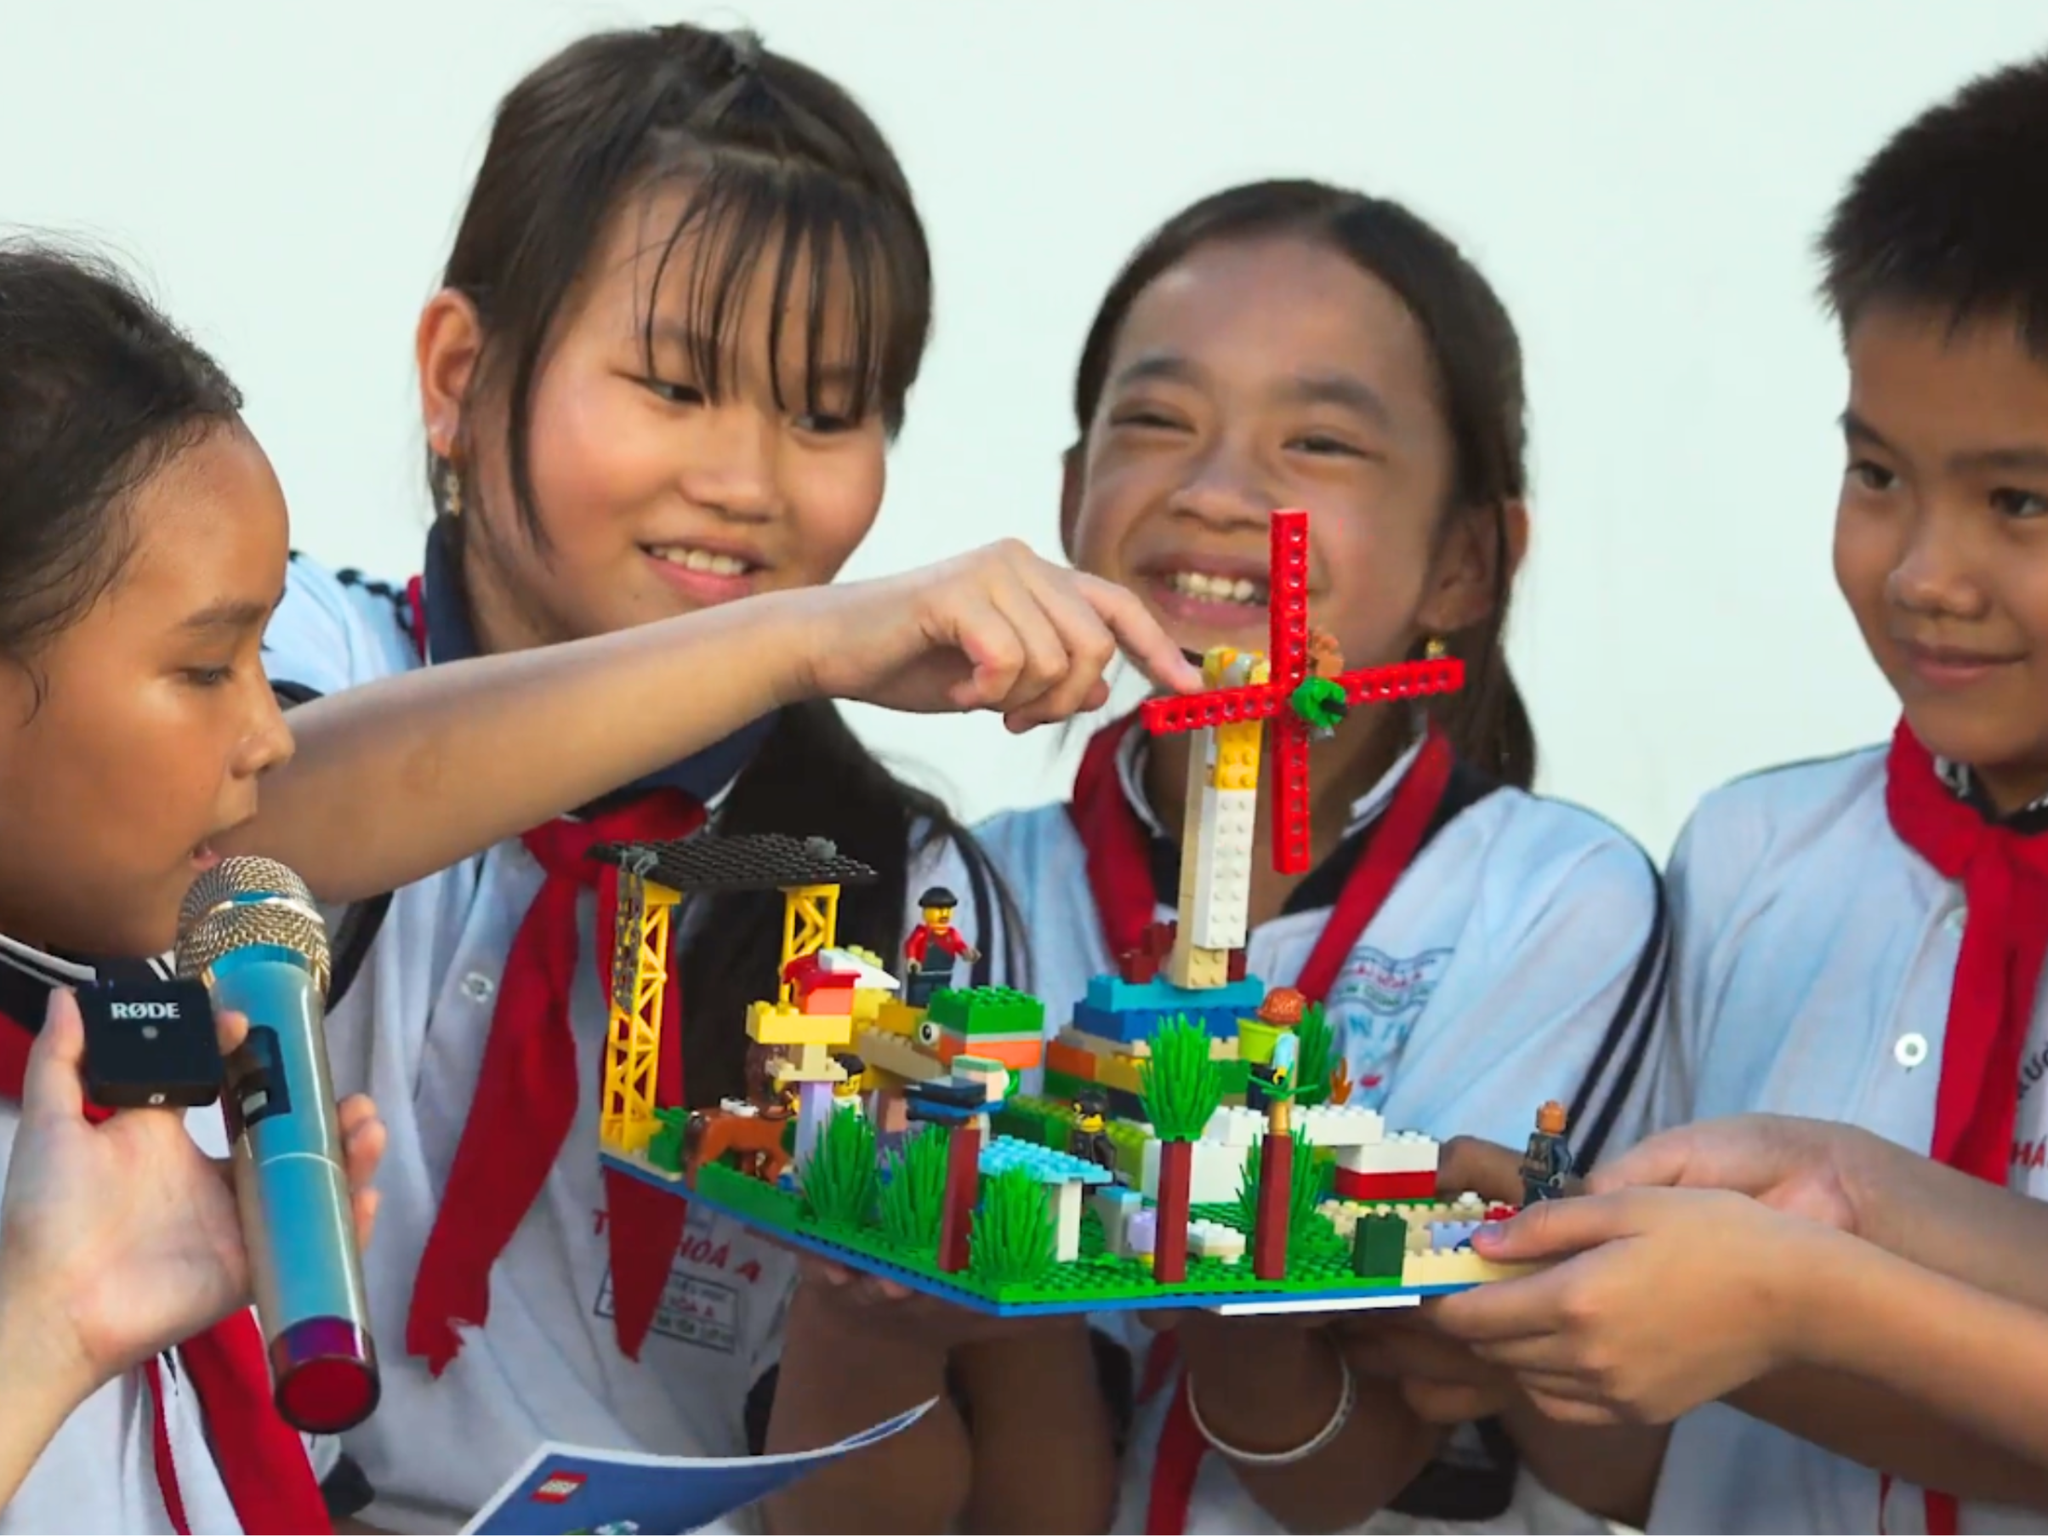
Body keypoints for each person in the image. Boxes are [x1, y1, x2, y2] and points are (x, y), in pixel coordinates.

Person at [0, 233, 1187, 1532]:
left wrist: (806, 648)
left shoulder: (128, 992)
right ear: (462, 372)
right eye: (204, 667)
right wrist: (48, 1329)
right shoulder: (301, 729)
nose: (269, 737)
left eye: (826, 410)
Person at [251, 23, 1194, 1534]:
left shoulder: (899, 891)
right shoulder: (294, 652)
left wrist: (872, 1327)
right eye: (675, 384)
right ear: (459, 376)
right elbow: (258, 822)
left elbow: (890, 1510)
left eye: (826, 413)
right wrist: (792, 641)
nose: (748, 482)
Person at [847, 178, 1669, 1535]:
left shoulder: (1553, 898)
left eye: (1321, 442)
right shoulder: (965, 891)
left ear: (1469, 561)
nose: (1220, 492)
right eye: (1158, 421)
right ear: (1073, 494)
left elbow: (1392, 1420)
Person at [1421, 51, 2048, 1534]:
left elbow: (1786, 1323)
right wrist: (1542, 1311)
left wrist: (1801, 1297)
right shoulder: (1752, 861)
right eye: (1877, 474)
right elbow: (1641, 1467)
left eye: (2020, 500)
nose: (1924, 573)